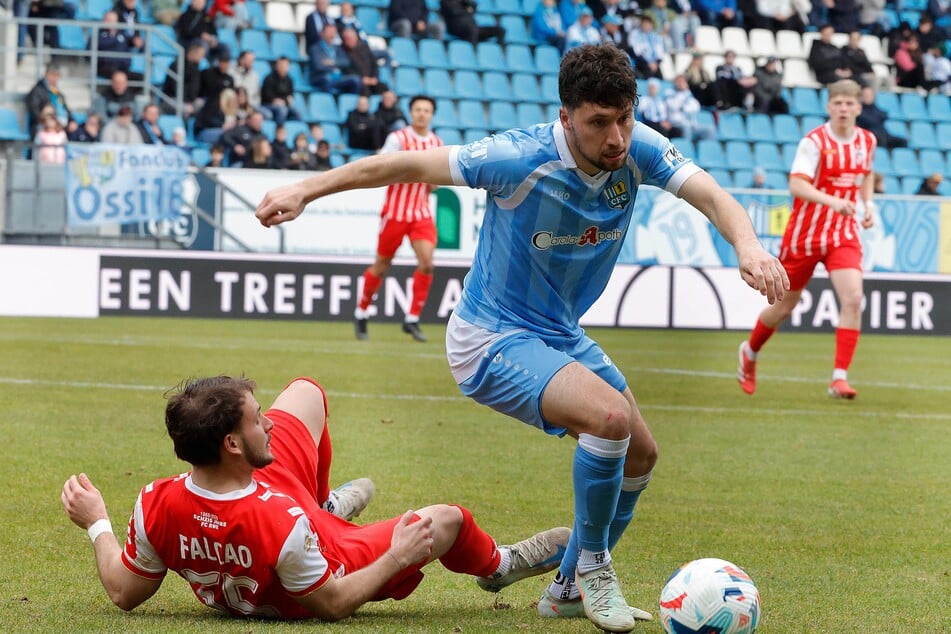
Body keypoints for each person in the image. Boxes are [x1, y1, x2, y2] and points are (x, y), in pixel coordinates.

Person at [254, 44, 787, 633]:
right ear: (566, 118)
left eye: (625, 118)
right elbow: (399, 167)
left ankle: (563, 589)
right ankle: (594, 568)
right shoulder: (515, 157)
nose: (616, 137)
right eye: (599, 123)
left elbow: (712, 195)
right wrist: (305, 190)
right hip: (490, 337)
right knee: (609, 420)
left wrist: (749, 245)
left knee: (641, 451)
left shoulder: (639, 150)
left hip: (560, 333)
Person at [62, 375, 569, 620]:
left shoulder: (156, 502)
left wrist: (97, 521)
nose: (268, 423)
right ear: (233, 443)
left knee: (305, 391)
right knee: (445, 521)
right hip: (313, 555)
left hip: (268, 505)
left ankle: (323, 502)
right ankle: (497, 565)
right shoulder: (280, 524)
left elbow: (123, 592)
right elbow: (332, 605)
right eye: (257, 419)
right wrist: (397, 556)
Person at [737, 79, 874, 401]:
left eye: (848, 103)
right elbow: (797, 185)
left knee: (853, 299)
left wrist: (869, 206)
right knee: (784, 306)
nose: (843, 108)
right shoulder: (814, 142)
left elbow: (865, 175)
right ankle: (750, 351)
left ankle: (839, 378)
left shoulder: (867, 141)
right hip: (806, 235)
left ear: (858, 107)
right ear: (828, 107)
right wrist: (833, 201)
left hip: (843, 234)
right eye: (837, 102)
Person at [353, 95, 442, 342]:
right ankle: (361, 311)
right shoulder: (398, 139)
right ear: (411, 113)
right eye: (418, 109)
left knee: (427, 263)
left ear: (432, 114)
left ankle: (412, 319)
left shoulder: (436, 142)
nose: (422, 114)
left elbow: (435, 184)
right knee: (381, 265)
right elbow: (380, 167)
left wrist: (432, 180)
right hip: (396, 211)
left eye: (426, 110)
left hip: (421, 213)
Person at [855, 85, 907, 149]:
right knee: (880, 138)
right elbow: (870, 120)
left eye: (870, 95)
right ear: (862, 97)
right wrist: (876, 118)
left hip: (884, 134)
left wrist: (875, 118)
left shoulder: (875, 107)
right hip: (870, 135)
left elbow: (884, 114)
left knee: (902, 141)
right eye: (866, 95)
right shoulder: (860, 110)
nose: (868, 97)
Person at [27, 64, 71, 134]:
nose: (56, 78)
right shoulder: (37, 91)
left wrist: (72, 121)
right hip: (43, 125)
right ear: (47, 75)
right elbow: (34, 110)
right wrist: (48, 122)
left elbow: (65, 108)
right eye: (53, 75)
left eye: (57, 76)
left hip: (60, 124)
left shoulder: (57, 93)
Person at [440, 0, 505, 45]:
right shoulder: (446, 2)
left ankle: (500, 51)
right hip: (456, 29)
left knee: (500, 30)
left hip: (474, 28)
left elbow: (474, 5)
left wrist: (465, 2)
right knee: (472, 31)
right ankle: (474, 52)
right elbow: (453, 12)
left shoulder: (463, 3)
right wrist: (467, 10)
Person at [261, 57, 304, 124]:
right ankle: (279, 130)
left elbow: (290, 95)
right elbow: (267, 96)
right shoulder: (269, 78)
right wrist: (274, 100)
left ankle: (291, 130)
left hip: (284, 104)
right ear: (277, 65)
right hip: (268, 104)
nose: (283, 67)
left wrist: (288, 100)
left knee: (298, 112)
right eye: (281, 64)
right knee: (282, 110)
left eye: (285, 65)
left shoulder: (289, 79)